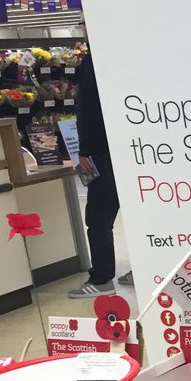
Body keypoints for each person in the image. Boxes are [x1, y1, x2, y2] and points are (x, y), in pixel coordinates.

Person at [69, 39, 132, 297]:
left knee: (98, 216)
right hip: (134, 144)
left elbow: (90, 109)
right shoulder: (127, 51)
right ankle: (144, 267)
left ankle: (102, 278)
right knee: (139, 209)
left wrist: (85, 150)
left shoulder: (94, 60)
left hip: (102, 150)